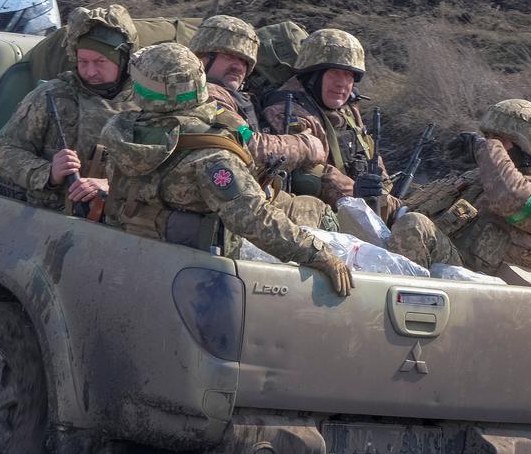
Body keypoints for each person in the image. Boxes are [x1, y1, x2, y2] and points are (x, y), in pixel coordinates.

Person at [103, 42, 354, 296]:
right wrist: (316, 253)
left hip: (132, 261)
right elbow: (253, 216)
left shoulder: (122, 134)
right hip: (199, 280)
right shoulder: (211, 153)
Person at [387, 99, 531, 274]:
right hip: (444, 271)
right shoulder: (475, 179)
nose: (489, 143)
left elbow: (509, 199)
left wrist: (484, 148)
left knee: (416, 225)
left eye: (497, 139)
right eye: (486, 137)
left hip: (478, 291)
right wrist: (376, 199)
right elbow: (406, 210)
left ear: (525, 146)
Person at [189, 15, 335, 231]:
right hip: (226, 203)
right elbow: (248, 143)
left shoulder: (238, 98)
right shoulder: (206, 94)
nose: (239, 66)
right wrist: (305, 145)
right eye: (230, 56)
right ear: (202, 57)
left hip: (243, 197)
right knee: (322, 217)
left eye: (245, 61)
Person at [0, 5, 137, 211]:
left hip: (116, 224)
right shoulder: (51, 96)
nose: (90, 71)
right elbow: (5, 154)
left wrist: (110, 186)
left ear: (124, 60)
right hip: (49, 217)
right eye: (83, 61)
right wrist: (48, 173)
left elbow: (159, 176)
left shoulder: (143, 105)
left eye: (100, 61)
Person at [260, 29, 393, 214]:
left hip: (358, 210)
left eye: (349, 75)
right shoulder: (286, 110)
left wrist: (386, 195)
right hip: (313, 215)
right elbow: (308, 174)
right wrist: (356, 193)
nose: (342, 83)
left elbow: (370, 155)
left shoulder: (348, 110)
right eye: (335, 73)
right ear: (312, 75)